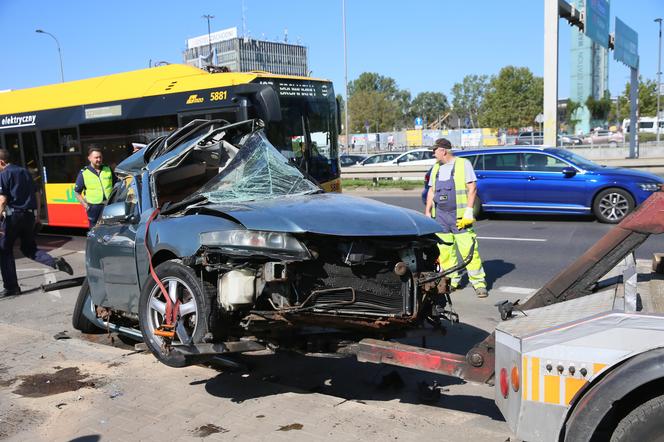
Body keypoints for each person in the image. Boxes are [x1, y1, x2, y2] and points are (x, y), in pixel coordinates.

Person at [0, 149, 73, 297]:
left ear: (1, 162)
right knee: (28, 248)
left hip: (13, 216)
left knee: (4, 249)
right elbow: (37, 193)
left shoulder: (4, 174)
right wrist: (38, 216)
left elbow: (2, 200)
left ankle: (11, 287)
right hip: (30, 216)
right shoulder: (25, 172)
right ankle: (54, 262)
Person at [424, 138, 488, 298]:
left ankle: (479, 284)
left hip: (459, 218)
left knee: (469, 252)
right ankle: (452, 281)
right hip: (440, 217)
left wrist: (468, 211)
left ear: (443, 150)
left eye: (435, 150)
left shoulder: (462, 164)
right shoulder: (435, 168)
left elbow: (472, 188)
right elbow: (431, 191)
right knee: (445, 252)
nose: (433, 153)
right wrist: (427, 212)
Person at [74, 147, 115, 228]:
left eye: (100, 157)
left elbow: (116, 185)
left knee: (110, 230)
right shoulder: (84, 172)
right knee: (94, 231)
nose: (99, 159)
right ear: (89, 158)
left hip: (109, 205)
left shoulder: (108, 169)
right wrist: (86, 206)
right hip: (94, 208)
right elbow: (77, 192)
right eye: (96, 157)